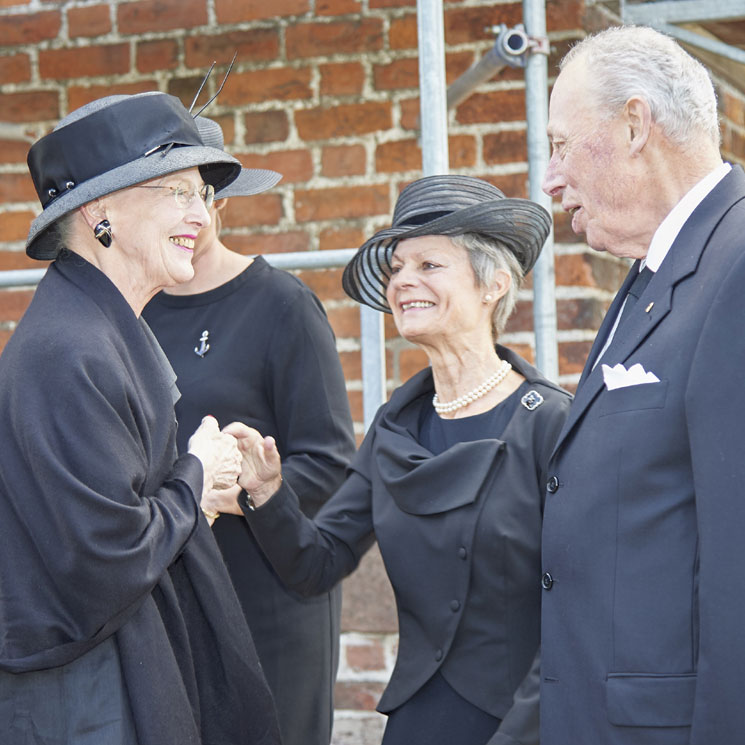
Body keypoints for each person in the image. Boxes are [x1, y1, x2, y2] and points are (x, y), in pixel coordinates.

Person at [209, 174, 572, 745]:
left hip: (527, 724)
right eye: (397, 267)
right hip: (418, 722)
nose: (403, 281)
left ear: (494, 283)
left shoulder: (549, 423)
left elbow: (578, 613)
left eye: (429, 265)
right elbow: (315, 567)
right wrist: (268, 492)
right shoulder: (395, 426)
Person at [0, 91, 281, 745]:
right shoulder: (68, 348)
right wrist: (197, 476)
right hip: (79, 701)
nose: (200, 216)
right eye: (177, 192)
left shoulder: (92, 327)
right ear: (102, 214)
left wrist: (193, 490)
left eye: (201, 194)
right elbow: (106, 561)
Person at [539, 25, 745, 745]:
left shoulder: (737, 262)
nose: (549, 177)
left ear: (634, 125)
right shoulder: (652, 274)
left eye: (560, 144)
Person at [143, 117, 356, 745]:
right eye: (167, 197)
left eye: (197, 195)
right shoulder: (134, 313)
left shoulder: (282, 306)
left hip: (264, 598)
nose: (187, 213)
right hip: (167, 595)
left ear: (221, 201)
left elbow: (329, 462)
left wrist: (220, 493)